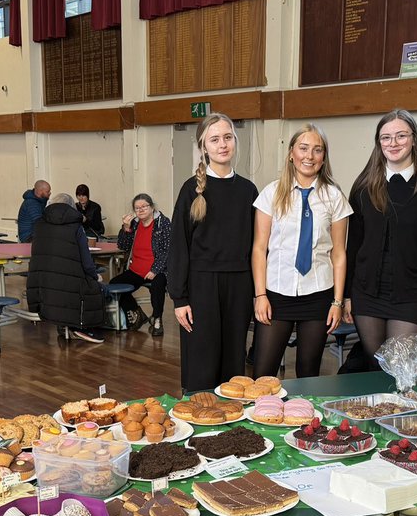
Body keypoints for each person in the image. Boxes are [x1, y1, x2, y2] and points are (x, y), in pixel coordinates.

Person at [345, 109, 417, 363]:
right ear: (378, 143)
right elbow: (354, 246)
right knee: (376, 366)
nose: (393, 143)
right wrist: (347, 297)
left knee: (399, 368)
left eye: (401, 136)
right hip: (367, 295)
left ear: (414, 139)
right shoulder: (363, 187)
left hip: (412, 297)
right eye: (386, 138)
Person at [251, 124, 351, 378]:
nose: (309, 156)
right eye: (303, 148)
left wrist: (337, 302)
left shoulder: (334, 197)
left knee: (309, 373)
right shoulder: (271, 194)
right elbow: (259, 248)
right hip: (276, 294)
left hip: (317, 295)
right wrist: (260, 295)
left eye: (317, 150)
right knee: (263, 373)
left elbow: (338, 254)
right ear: (291, 153)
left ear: (323, 157)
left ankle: (305, 419)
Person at [168, 113, 257, 392]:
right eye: (215, 139)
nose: (222, 145)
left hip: (239, 284)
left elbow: (257, 246)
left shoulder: (248, 190)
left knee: (233, 359)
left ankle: (232, 423)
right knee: (202, 358)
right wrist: (179, 298)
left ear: (235, 141)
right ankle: (198, 418)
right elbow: (178, 245)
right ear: (204, 147)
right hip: (201, 285)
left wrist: (258, 292)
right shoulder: (190, 190)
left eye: (227, 137)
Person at [25, 192, 106, 344]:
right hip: (71, 284)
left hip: (43, 282)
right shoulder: (76, 227)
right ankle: (82, 327)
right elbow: (86, 260)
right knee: (98, 288)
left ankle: (64, 326)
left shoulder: (40, 226)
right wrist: (94, 275)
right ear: (71, 207)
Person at [112, 193, 171, 336]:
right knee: (114, 284)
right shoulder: (135, 223)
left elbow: (167, 250)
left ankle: (157, 319)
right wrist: (126, 228)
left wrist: (155, 270)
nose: (141, 210)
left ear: (151, 207)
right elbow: (123, 246)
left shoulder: (163, 223)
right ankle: (138, 313)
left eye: (144, 206)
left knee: (157, 285)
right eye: (137, 208)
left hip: (157, 270)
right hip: (136, 270)